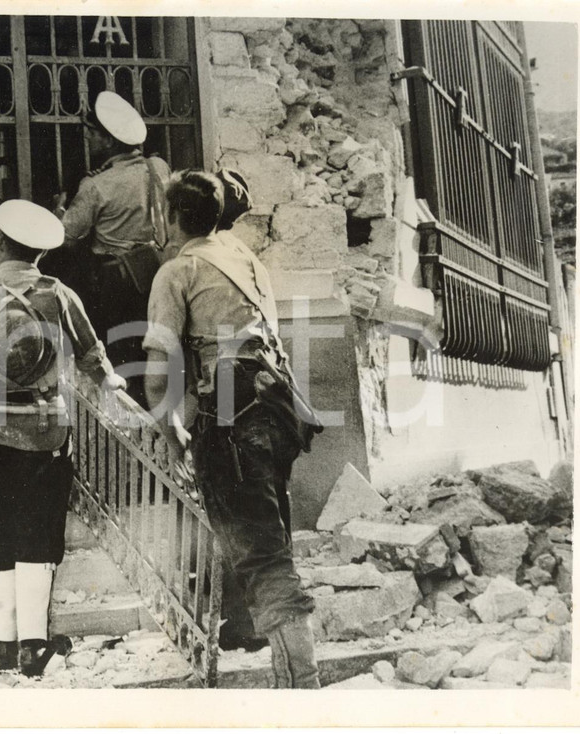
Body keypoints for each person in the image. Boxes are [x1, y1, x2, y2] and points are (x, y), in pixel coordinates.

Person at [142, 170, 323, 689]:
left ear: (172, 217)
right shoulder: (246, 260)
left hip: (230, 422)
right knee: (267, 536)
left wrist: (170, 432)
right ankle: (271, 659)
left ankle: (304, 687)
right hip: (275, 408)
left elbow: (158, 376)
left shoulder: (177, 272)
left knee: (263, 555)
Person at [0, 199, 126, 676]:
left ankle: (2, 646)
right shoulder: (57, 294)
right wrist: (115, 388)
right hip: (43, 431)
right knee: (39, 532)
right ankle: (33, 647)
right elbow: (92, 356)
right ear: (41, 254)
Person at [48, 91, 170, 405]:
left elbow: (65, 237)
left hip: (115, 282)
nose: (88, 139)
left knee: (118, 354)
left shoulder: (96, 185)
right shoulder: (158, 167)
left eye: (92, 134)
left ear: (109, 141)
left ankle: (125, 416)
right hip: (154, 272)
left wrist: (60, 208)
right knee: (151, 351)